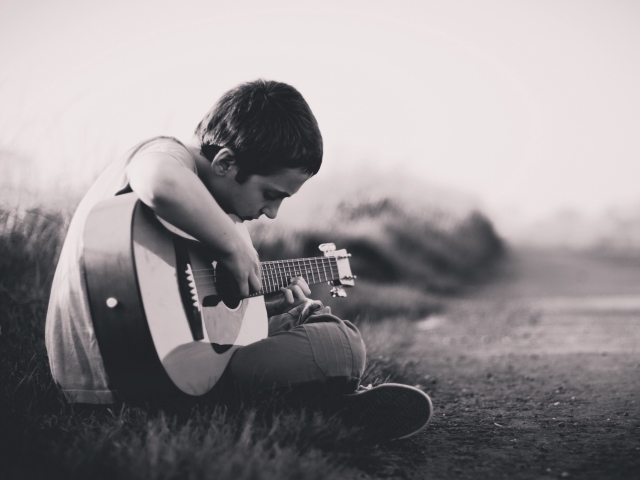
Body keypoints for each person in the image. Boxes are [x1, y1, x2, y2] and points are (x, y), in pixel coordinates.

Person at [45, 79, 433, 440]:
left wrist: (262, 309)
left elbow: (182, 310)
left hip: (142, 373)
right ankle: (318, 401)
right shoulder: (164, 154)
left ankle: (308, 404)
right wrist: (234, 244)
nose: (272, 213)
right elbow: (160, 183)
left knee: (300, 316)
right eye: (271, 194)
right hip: (126, 378)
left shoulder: (202, 213)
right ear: (225, 162)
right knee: (342, 343)